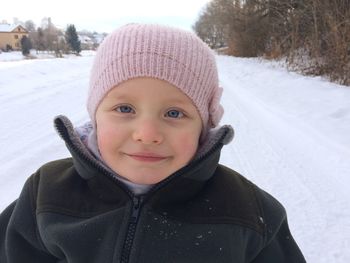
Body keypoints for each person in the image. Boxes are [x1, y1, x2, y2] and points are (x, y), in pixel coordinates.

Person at [0, 23, 306, 263]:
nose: (147, 133)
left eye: (174, 113)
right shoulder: (46, 194)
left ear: (205, 126)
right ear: (96, 116)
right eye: (125, 109)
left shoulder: (247, 211)